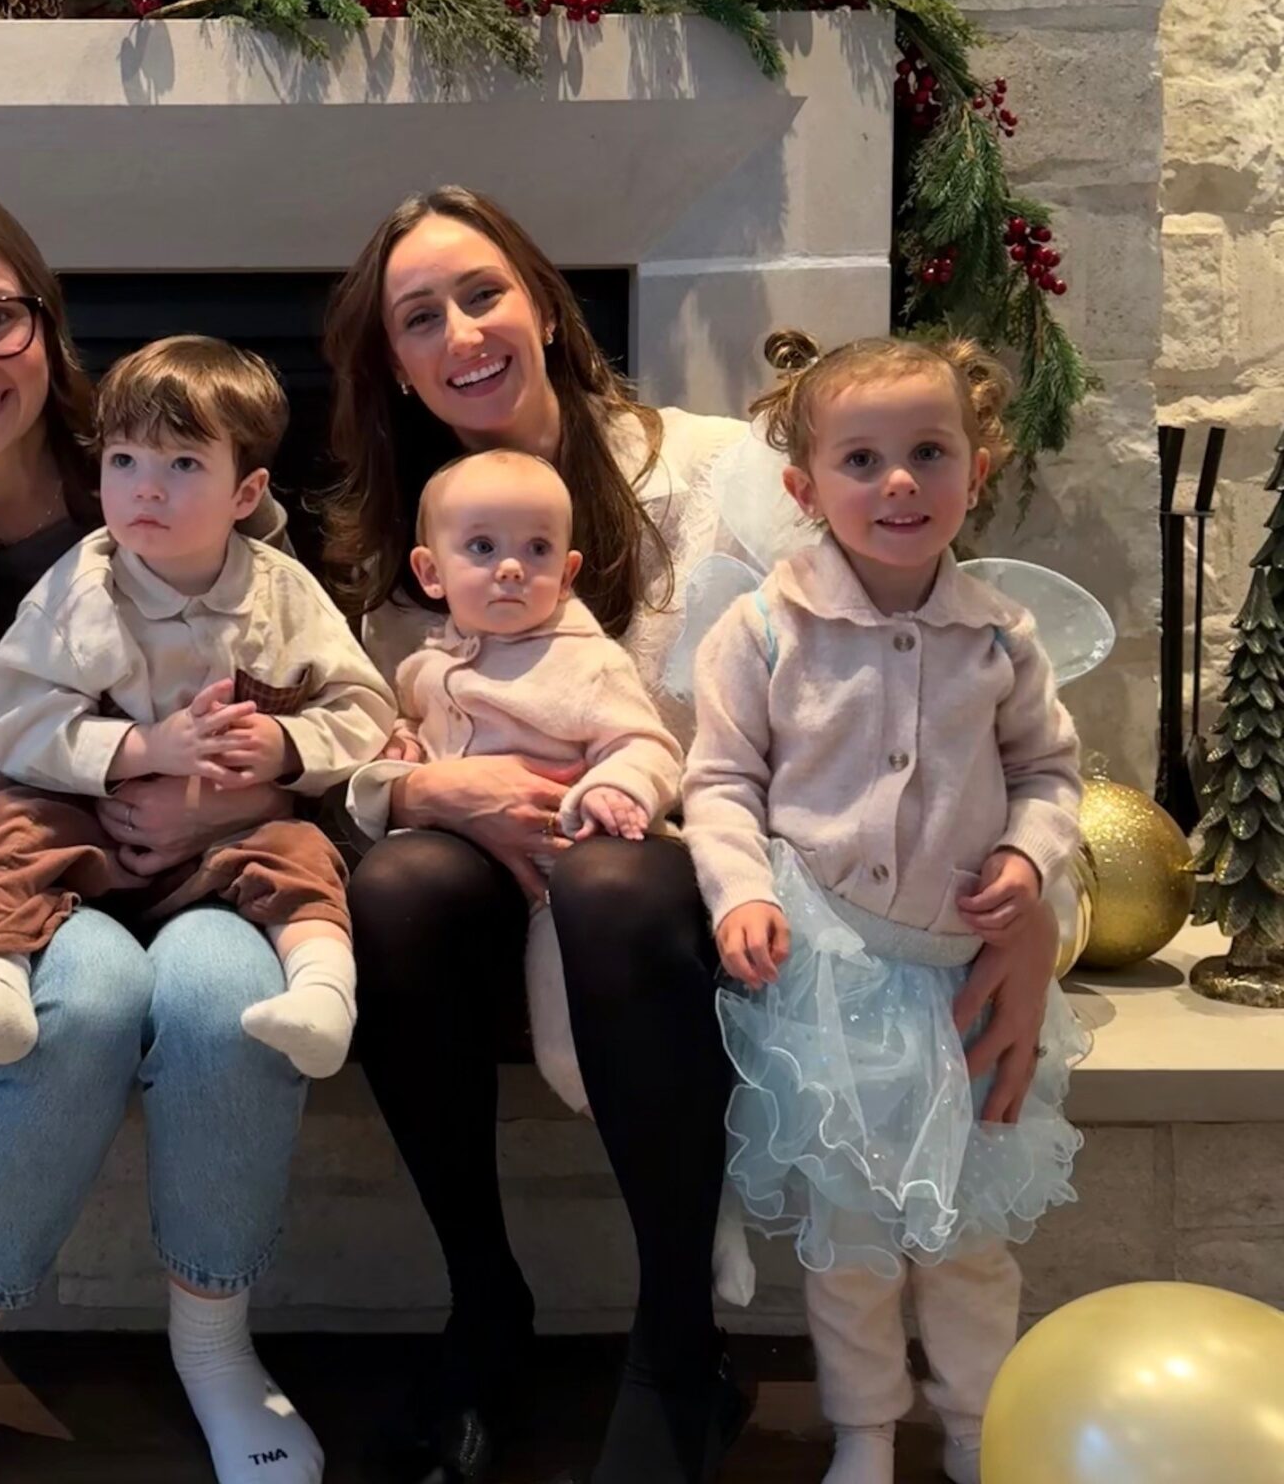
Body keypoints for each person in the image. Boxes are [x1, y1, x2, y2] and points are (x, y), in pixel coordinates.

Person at [322, 185, 1064, 1484]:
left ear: (545, 306)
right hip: (507, 886)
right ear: (393, 360)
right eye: (419, 317)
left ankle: (678, 1345)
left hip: (725, 881)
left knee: (609, 877)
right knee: (398, 887)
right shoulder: (400, 541)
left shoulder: (719, 474)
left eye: (483, 291)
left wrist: (1036, 890)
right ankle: (486, 1307)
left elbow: (937, 668)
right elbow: (365, 747)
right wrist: (436, 793)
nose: (462, 333)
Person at [0, 182, 330, 1484]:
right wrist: (68, 799)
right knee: (87, 996)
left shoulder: (166, 465)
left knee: (229, 996)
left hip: (207, 859)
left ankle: (216, 1345)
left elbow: (296, 688)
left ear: (47, 328)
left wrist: (234, 787)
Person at [683, 332, 1086, 1484]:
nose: (898, 481)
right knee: (853, 1239)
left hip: (964, 973)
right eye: (861, 460)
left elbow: (1051, 772)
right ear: (806, 489)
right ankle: (863, 1430)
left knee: (968, 1238)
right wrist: (741, 895)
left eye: (927, 452)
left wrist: (1029, 851)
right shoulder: (763, 630)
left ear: (977, 466)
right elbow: (718, 784)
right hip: (830, 983)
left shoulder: (1001, 637)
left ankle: (976, 1427)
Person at [0, 335, 392, 1080]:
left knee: (302, 855)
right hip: (90, 836)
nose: (146, 489)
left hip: (227, 844)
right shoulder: (81, 589)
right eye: (124, 461)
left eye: (184, 465)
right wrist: (142, 750)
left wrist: (286, 747)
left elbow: (361, 707)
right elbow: (15, 718)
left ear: (246, 494)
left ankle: (322, 993)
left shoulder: (282, 592)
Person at [380, 448, 682, 1110]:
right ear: (431, 572)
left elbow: (647, 744)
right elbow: (407, 723)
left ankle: (588, 1087)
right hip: (464, 870)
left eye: (538, 549)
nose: (511, 567)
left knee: (563, 1001)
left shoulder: (584, 663)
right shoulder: (424, 666)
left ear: (568, 573)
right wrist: (402, 747)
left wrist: (617, 786)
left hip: (554, 871)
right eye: (483, 547)